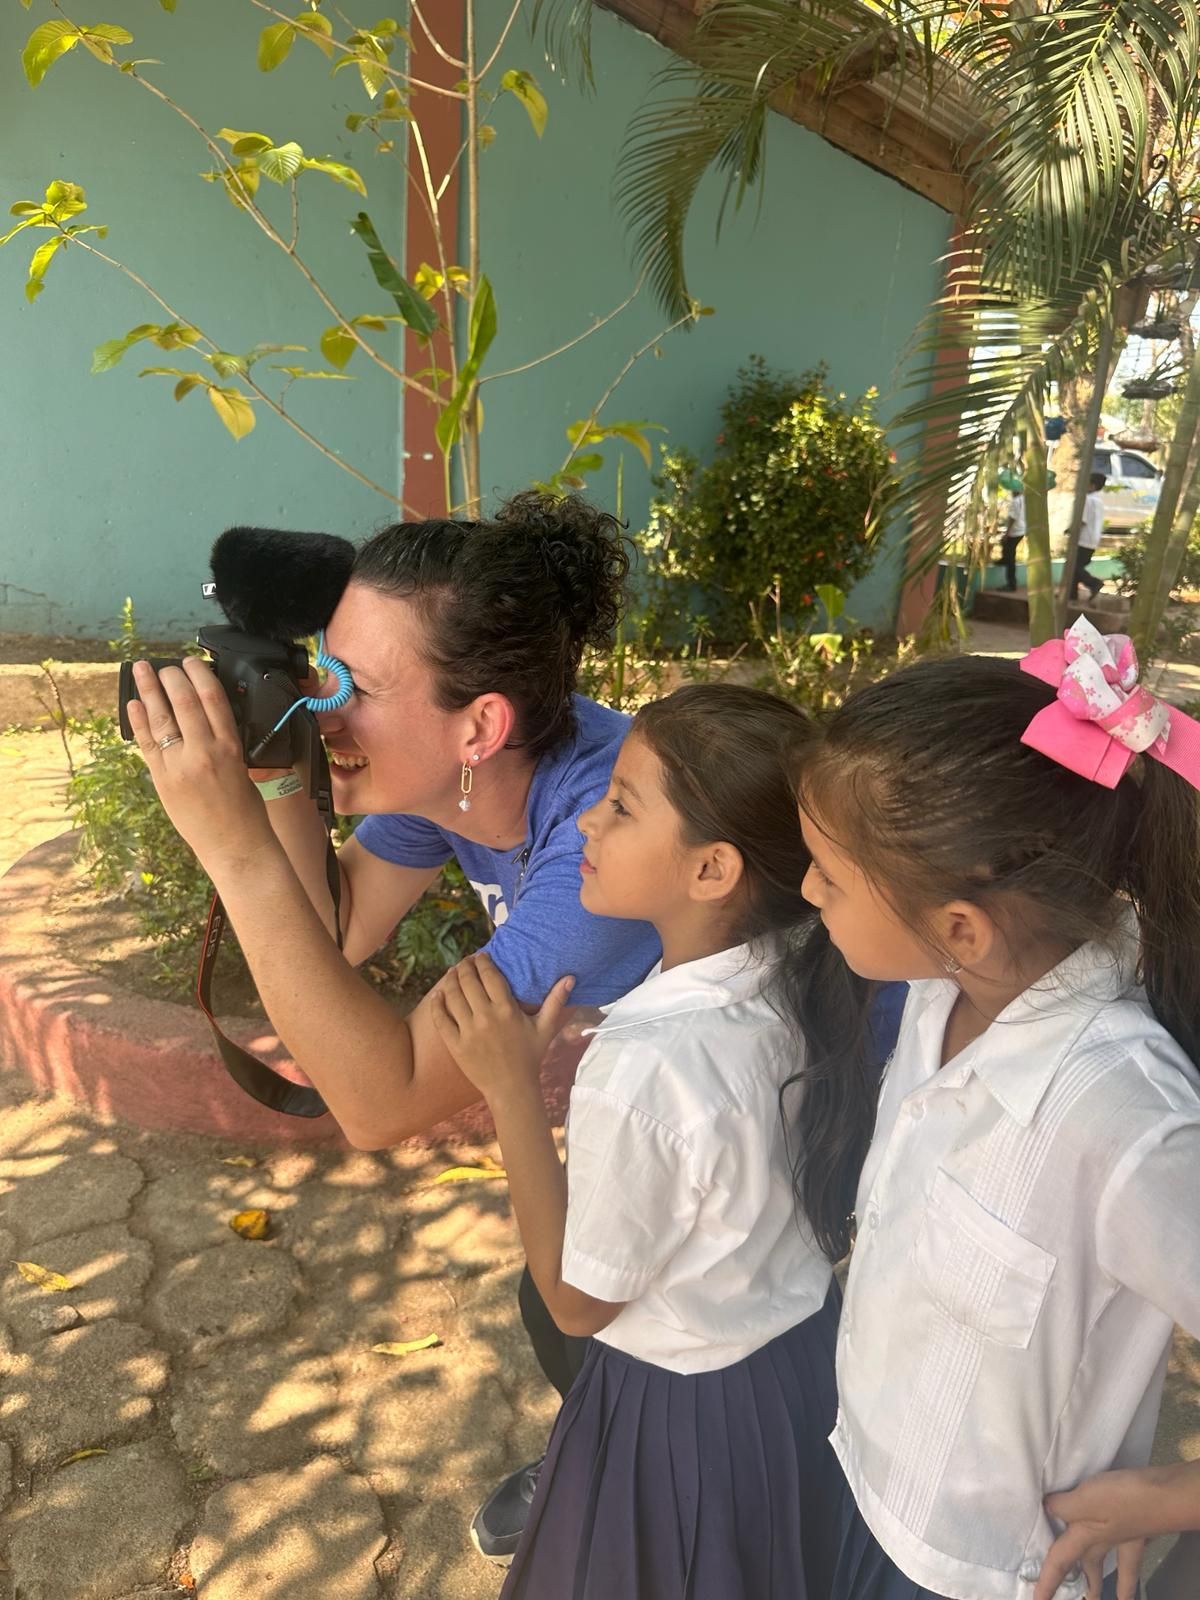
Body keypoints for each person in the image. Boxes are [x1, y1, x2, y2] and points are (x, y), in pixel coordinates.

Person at [124, 490, 662, 1561]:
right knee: (557, 1298)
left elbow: (379, 1099)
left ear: (481, 724)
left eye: (353, 689)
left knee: (592, 1305)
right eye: (319, 669)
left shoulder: (609, 840)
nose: (325, 709)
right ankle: (602, 1436)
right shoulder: (448, 777)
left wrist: (232, 849)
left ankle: (633, 1467)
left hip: (821, 1124)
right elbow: (339, 929)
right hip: (658, 1091)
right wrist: (279, 772)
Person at [429, 684, 890, 1600]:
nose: (585, 826)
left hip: (682, 1411)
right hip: (795, 1369)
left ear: (713, 870)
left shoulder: (646, 1067)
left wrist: (512, 1090)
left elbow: (572, 1304)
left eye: (620, 806)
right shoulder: (803, 961)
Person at [793, 626, 1200, 1600]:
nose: (807, 892)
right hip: (866, 1484)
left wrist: (1181, 1495)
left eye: (830, 878)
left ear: (960, 925)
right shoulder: (944, 989)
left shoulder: (1127, 1122)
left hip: (991, 1572)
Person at [1073, 470, 1107, 602]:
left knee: (1074, 567)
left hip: (1084, 538)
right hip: (1093, 539)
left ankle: (1093, 583)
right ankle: (1071, 594)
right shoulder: (1099, 500)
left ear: (1092, 485)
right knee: (1076, 566)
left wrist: (1071, 530)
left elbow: (1083, 520)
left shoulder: (1087, 499)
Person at [998, 484, 1025, 592]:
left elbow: (1013, 518)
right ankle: (1003, 560)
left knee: (1010, 557)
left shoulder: (1016, 501)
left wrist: (1007, 533)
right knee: (1006, 548)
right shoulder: (1023, 500)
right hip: (1021, 530)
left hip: (1015, 531)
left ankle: (1011, 584)